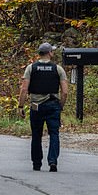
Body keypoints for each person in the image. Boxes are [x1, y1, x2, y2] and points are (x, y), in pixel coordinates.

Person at [18, 42, 68, 172]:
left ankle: (36, 163)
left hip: (36, 106)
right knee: (54, 133)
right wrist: (60, 105)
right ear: (50, 53)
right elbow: (65, 91)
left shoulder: (31, 68)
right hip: (53, 105)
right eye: (52, 51)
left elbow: (24, 89)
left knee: (36, 134)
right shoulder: (58, 69)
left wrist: (20, 106)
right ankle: (52, 162)